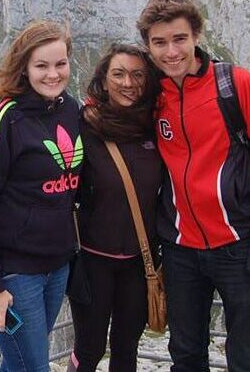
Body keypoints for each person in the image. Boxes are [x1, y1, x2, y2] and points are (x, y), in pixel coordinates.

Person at [137, 0, 250, 372]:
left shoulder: (235, 84)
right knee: (185, 354)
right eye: (160, 42)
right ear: (148, 46)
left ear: (197, 35)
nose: (171, 52)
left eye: (179, 39)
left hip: (239, 246)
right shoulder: (152, 95)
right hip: (181, 249)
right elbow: (106, 104)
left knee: (247, 357)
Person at [0, 20, 83, 372]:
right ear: (24, 67)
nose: (52, 74)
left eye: (60, 64)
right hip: (16, 275)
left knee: (20, 363)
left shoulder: (70, 109)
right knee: (33, 367)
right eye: (41, 66)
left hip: (58, 267)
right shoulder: (3, 117)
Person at [67, 43, 164, 372]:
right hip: (93, 261)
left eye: (137, 75)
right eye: (118, 74)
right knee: (90, 347)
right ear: (104, 80)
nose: (128, 83)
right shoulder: (86, 126)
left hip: (141, 263)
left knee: (126, 348)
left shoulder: (154, 125)